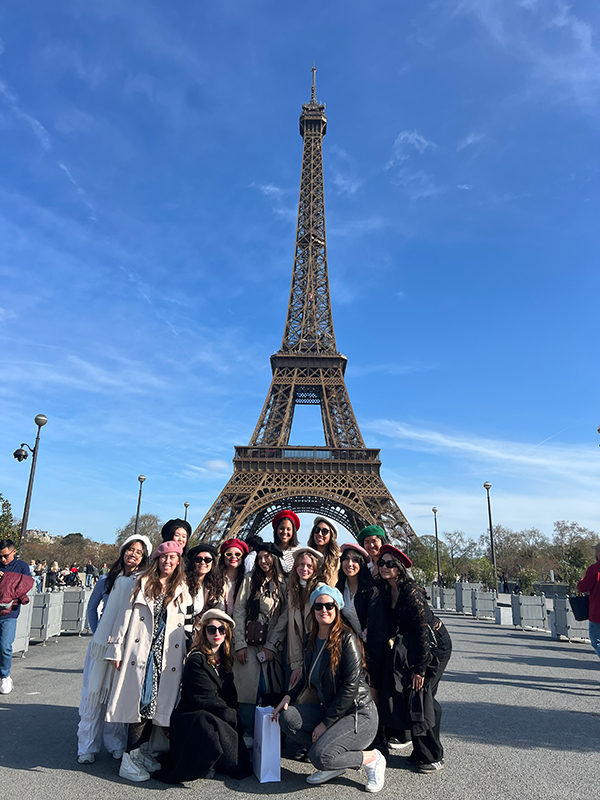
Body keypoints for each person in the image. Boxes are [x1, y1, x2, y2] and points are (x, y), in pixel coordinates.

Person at [273, 585, 386, 792]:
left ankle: (372, 758)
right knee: (288, 719)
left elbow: (350, 688)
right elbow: (307, 675)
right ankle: (333, 761)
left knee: (319, 756)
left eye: (329, 606)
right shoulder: (311, 639)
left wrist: (325, 723)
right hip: (331, 708)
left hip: (358, 714)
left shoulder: (347, 639)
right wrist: (288, 696)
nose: (324, 610)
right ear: (313, 610)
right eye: (319, 606)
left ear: (337, 609)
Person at [104, 540, 191, 782]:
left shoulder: (182, 588)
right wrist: (116, 648)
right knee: (140, 705)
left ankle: (139, 753)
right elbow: (123, 616)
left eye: (173, 558)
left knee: (155, 706)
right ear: (156, 560)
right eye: (164, 557)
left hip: (166, 655)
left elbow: (187, 625)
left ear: (178, 562)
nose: (168, 561)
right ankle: (129, 759)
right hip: (140, 653)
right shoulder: (141, 582)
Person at [374, 545, 452, 773]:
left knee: (422, 696)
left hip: (432, 647)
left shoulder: (410, 591)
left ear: (399, 568)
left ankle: (434, 755)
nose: (384, 566)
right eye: (381, 563)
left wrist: (420, 668)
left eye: (390, 563)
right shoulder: (387, 590)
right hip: (413, 647)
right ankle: (421, 751)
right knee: (418, 697)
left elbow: (422, 633)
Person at [153, 609, 252, 783]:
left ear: (226, 633)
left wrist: (234, 714)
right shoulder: (196, 659)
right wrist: (229, 715)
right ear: (204, 631)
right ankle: (202, 764)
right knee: (207, 722)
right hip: (192, 716)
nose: (217, 633)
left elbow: (230, 695)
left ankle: (216, 761)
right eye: (211, 629)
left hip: (215, 712)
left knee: (239, 760)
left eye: (222, 629)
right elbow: (203, 697)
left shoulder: (225, 660)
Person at [77, 535, 152, 764]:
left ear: (144, 558)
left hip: (126, 646)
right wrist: (98, 633)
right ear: (123, 552)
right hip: (101, 647)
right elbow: (92, 608)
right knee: (93, 695)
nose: (133, 554)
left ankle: (115, 743)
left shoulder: (144, 582)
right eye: (130, 549)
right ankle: (86, 746)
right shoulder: (108, 579)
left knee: (116, 694)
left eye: (139, 552)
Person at [232, 541, 288, 744]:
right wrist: (239, 643)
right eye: (260, 557)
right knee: (248, 688)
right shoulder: (249, 580)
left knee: (270, 687)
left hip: (272, 644)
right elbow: (238, 612)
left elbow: (285, 616)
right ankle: (248, 730)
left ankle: (270, 731)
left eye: (268, 557)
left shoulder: (285, 583)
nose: (264, 561)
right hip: (248, 641)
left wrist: (272, 645)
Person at [288, 547, 324, 691]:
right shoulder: (292, 591)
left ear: (315, 569)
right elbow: (293, 631)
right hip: (299, 653)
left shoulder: (321, 590)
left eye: (309, 566)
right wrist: (296, 664)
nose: (305, 569)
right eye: (301, 565)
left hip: (317, 652)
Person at [0, 539, 33, 695]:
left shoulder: (22, 567)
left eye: (5, 556)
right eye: (0, 556)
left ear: (13, 552)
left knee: (5, 646)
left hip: (9, 612)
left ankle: (5, 675)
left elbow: (24, 587)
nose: (3, 560)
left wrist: (5, 579)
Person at [185, 544, 219, 630]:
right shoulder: (182, 582)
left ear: (212, 563)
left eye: (207, 560)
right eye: (198, 559)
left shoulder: (210, 587)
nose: (203, 562)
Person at [212, 538, 249, 615]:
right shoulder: (213, 580)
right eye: (228, 554)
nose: (233, 557)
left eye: (237, 554)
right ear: (223, 557)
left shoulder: (248, 582)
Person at [576, 542, 600, 660]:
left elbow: (582, 587)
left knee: (596, 640)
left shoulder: (594, 569)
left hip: (597, 612)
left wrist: (580, 582)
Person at [307, 517, 341, 587]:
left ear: (331, 535)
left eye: (324, 531)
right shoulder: (306, 557)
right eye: (317, 530)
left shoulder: (338, 560)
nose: (320, 534)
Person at [271, 510, 301, 574]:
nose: (285, 532)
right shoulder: (269, 552)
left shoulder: (300, 552)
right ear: (276, 530)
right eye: (281, 528)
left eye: (288, 529)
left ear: (293, 532)